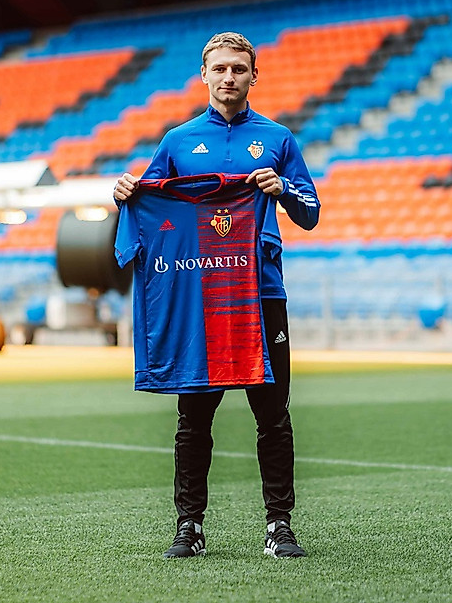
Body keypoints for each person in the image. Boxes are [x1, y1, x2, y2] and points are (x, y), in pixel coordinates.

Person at [113, 31, 320, 559]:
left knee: (273, 415)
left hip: (261, 294)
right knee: (194, 419)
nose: (230, 77)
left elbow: (311, 213)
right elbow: (149, 201)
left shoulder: (278, 138)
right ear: (204, 74)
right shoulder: (177, 141)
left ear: (254, 76)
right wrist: (125, 194)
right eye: (221, 68)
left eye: (239, 69)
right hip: (198, 298)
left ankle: (279, 525)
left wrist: (283, 189)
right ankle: (189, 526)